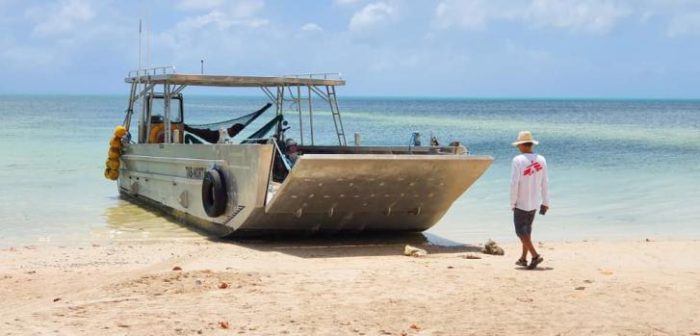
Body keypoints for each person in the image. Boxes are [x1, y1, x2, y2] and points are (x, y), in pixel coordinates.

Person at [510, 131, 549, 269]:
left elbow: (514, 183)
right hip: (534, 202)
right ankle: (523, 258)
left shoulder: (518, 160)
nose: (518, 148)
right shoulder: (542, 159)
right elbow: (545, 182)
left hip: (521, 202)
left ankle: (535, 256)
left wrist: (512, 202)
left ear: (522, 145)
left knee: (520, 232)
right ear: (531, 144)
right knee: (527, 231)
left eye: (518, 145)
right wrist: (545, 202)